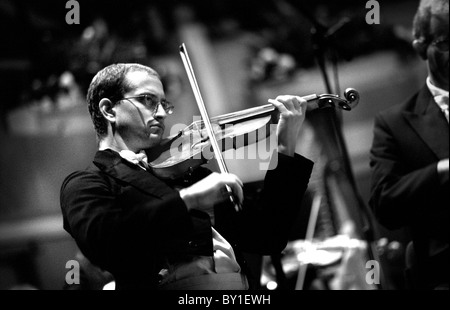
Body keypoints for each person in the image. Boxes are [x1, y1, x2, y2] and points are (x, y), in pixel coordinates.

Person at [60, 63, 314, 290]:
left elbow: (267, 236)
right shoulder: (88, 183)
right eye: (148, 100)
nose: (160, 112)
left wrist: (285, 147)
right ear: (108, 110)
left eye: (163, 104)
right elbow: (104, 241)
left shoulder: (190, 173)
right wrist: (188, 200)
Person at [369, 0, 449, 290]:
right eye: (445, 41)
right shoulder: (394, 123)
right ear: (420, 46)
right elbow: (385, 203)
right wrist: (441, 170)